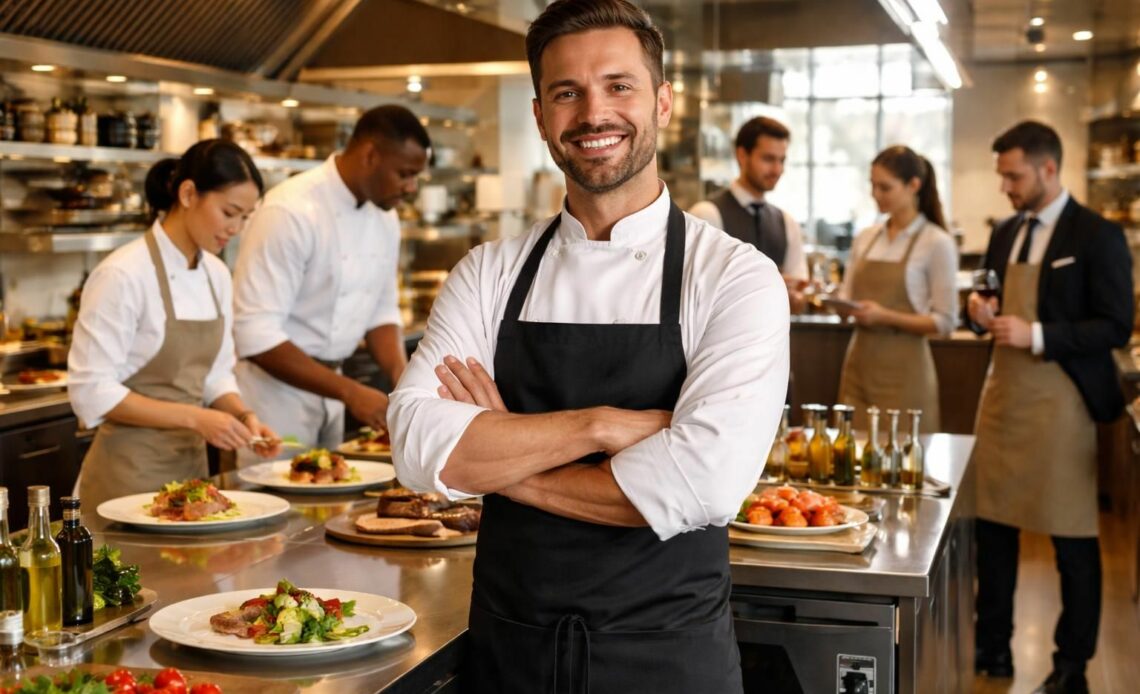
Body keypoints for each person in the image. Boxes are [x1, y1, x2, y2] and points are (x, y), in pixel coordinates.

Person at [388, 1, 789, 691]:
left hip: (666, 656)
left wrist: (498, 458)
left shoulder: (733, 276)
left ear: (663, 101)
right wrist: (600, 427)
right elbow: (417, 445)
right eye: (567, 93)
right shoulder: (489, 272)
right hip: (509, 649)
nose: (593, 113)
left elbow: (705, 482)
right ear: (543, 115)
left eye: (618, 85)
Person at [968, 121, 1132, 694]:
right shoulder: (1005, 230)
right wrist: (977, 308)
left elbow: (1115, 325)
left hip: (1062, 402)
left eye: (1013, 176)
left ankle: (1071, 667)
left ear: (1048, 169)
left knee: (1071, 538)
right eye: (1002, 176)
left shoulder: (1096, 236)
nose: (1006, 187)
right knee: (992, 531)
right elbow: (987, 292)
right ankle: (992, 650)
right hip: (1003, 397)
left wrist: (1037, 334)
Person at [69, 140, 281, 509]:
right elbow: (91, 390)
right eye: (229, 212)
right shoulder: (123, 274)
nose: (236, 228)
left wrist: (243, 417)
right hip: (126, 477)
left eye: (245, 218)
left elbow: (215, 375)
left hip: (189, 476)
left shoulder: (216, 274)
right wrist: (198, 419)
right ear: (187, 194)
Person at [232, 105, 429, 461]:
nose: (411, 188)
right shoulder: (289, 211)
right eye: (404, 174)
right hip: (274, 399)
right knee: (275, 505)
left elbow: (381, 311)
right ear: (370, 154)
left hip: (334, 389)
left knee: (328, 504)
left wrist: (404, 380)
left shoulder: (385, 218)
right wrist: (351, 393)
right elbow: (254, 334)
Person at [834, 145, 958, 433]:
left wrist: (884, 317)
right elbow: (846, 298)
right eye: (872, 185)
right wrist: (837, 304)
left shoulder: (936, 243)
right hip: (858, 369)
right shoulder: (866, 238)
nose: (876, 195)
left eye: (885, 187)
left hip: (906, 377)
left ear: (914, 185)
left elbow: (945, 323)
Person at [689, 116, 810, 312]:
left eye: (782, 160)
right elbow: (694, 291)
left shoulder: (787, 223)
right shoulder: (707, 214)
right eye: (768, 159)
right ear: (742, 155)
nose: (777, 169)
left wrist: (796, 296)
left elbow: (799, 293)